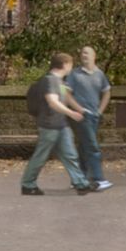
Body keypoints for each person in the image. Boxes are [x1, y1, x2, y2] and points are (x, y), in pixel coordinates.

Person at [21, 52, 91, 196]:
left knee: (70, 154)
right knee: (41, 156)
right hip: (49, 125)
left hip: (61, 124)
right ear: (64, 65)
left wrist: (80, 109)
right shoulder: (50, 80)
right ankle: (28, 184)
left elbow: (67, 97)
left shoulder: (61, 82)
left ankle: (81, 183)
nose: (71, 67)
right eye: (70, 64)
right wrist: (71, 113)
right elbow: (52, 102)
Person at [65, 46, 113, 191]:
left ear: (94, 56)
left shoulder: (100, 75)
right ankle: (99, 179)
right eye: (82, 53)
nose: (83, 55)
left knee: (84, 147)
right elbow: (65, 93)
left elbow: (107, 92)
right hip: (81, 116)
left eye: (86, 53)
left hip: (94, 117)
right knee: (93, 147)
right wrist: (78, 109)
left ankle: (79, 179)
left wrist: (100, 111)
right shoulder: (74, 74)